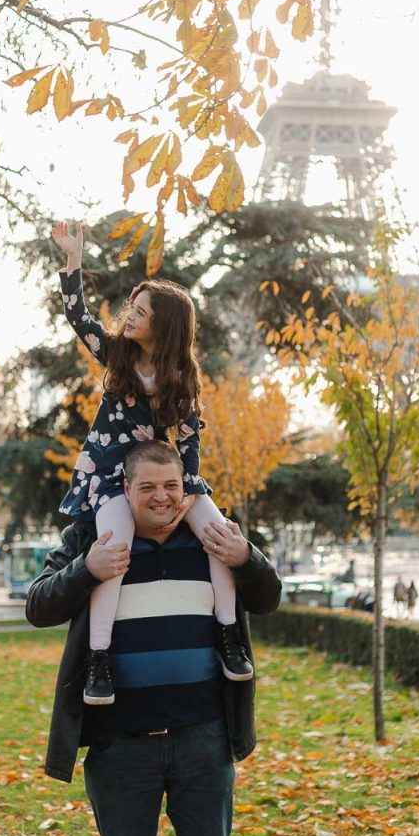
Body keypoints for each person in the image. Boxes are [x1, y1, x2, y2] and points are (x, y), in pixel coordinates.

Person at [26, 440, 281, 836]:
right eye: (147, 487)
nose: (161, 496)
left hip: (203, 740)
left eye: (171, 485)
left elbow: (269, 598)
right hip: (120, 746)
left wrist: (246, 558)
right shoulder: (92, 538)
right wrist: (87, 568)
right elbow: (38, 606)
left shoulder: (212, 539)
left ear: (186, 488)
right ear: (126, 490)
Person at [52, 220, 252, 704]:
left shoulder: (182, 378)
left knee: (220, 534)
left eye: (140, 312)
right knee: (112, 550)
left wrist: (190, 497)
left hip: (157, 476)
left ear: (164, 325)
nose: (130, 317)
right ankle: (99, 659)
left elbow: (187, 448)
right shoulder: (117, 355)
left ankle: (229, 637)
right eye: (132, 309)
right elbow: (80, 319)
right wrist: (73, 264)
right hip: (108, 479)